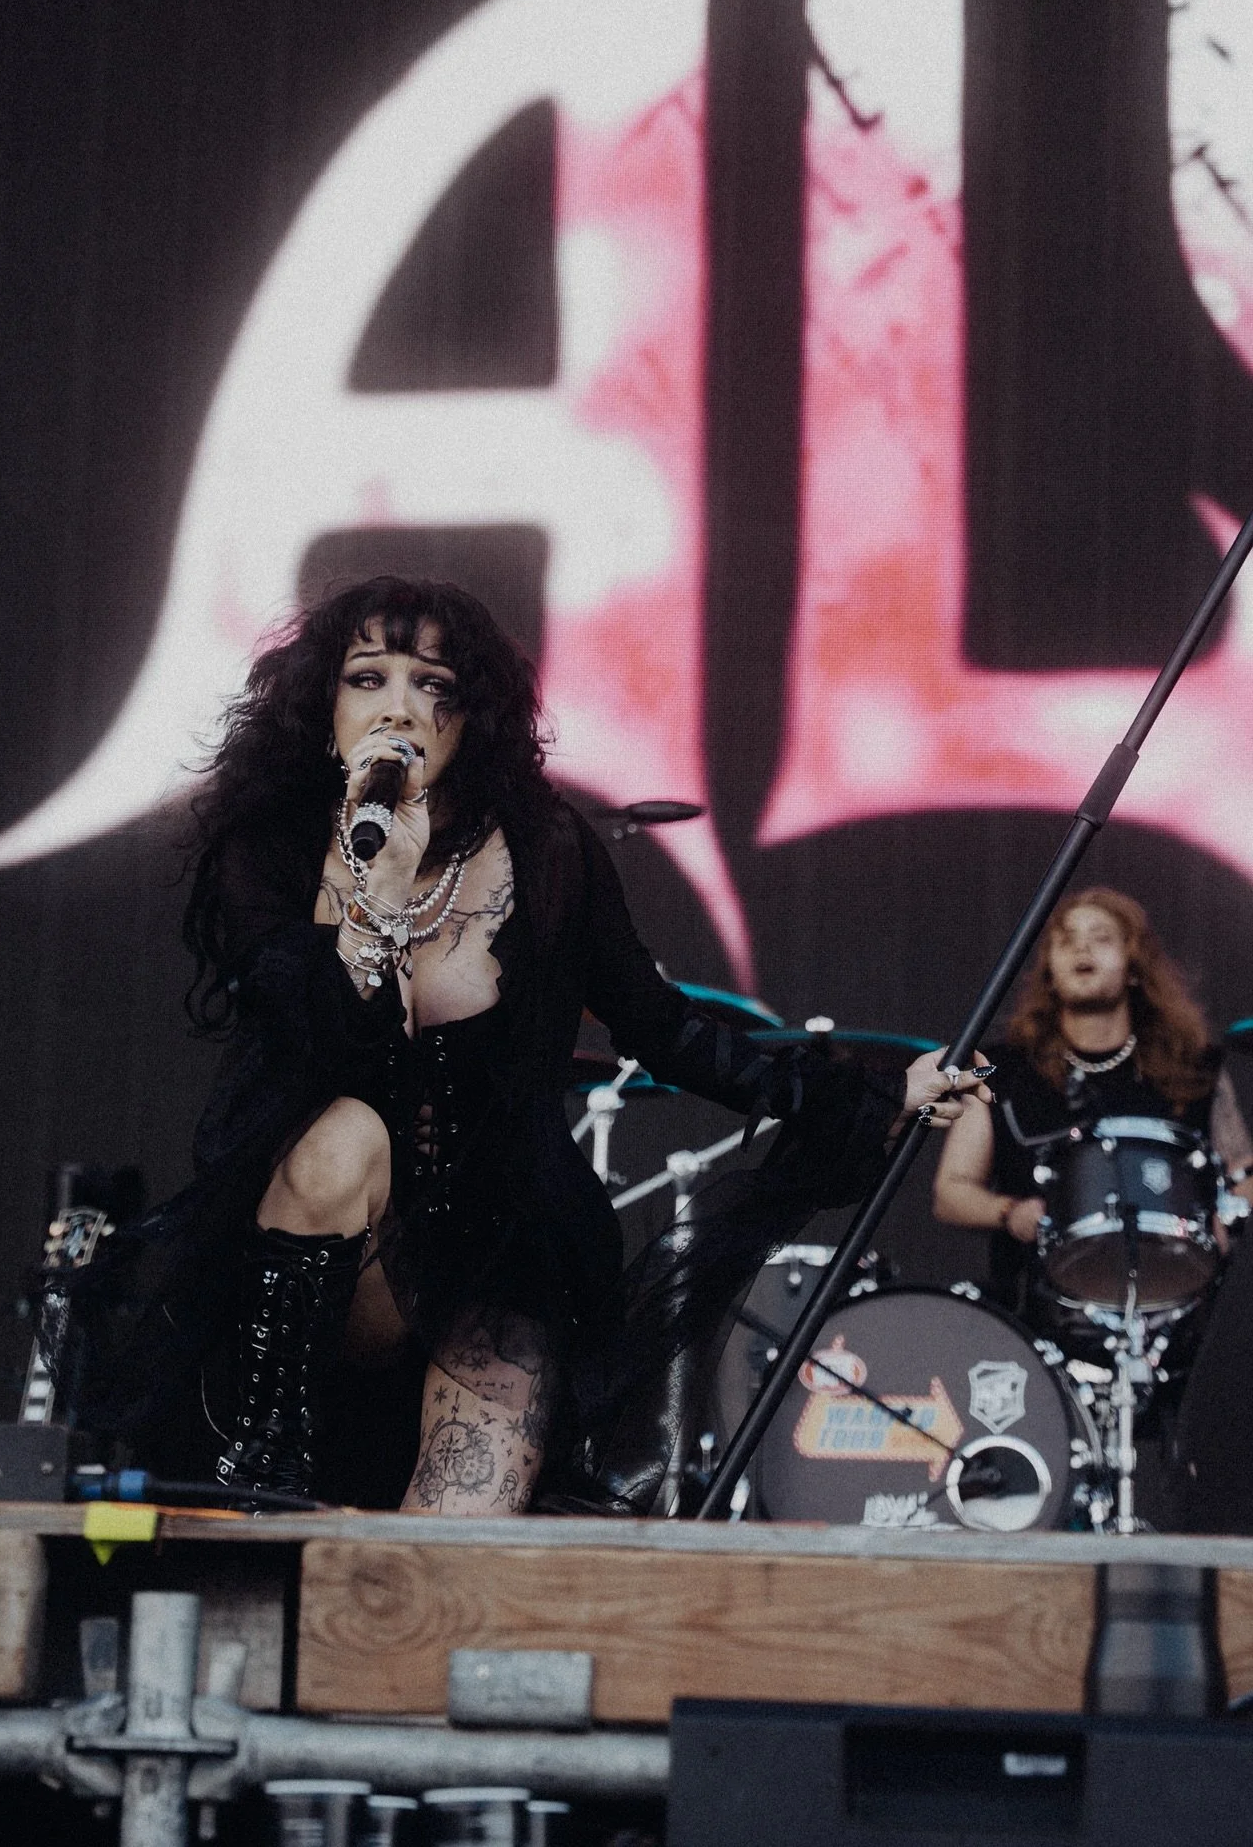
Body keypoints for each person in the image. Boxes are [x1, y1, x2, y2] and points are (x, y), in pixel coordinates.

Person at [70, 577, 987, 1515]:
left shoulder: (549, 852)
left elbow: (666, 1029)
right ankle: (269, 1458)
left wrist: (868, 1094)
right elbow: (317, 1034)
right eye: (368, 679)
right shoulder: (267, 849)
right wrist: (375, 888)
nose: (402, 708)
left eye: (436, 687)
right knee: (344, 1131)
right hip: (334, 1255)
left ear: (475, 719)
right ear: (322, 703)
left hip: (500, 1254)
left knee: (451, 1559)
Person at [933, 887, 1253, 1320]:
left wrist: (1228, 1215)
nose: (1081, 947)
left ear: (1134, 967)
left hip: (1179, 1312)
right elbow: (951, 1190)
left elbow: (1245, 1174)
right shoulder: (999, 1069)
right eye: (1066, 939)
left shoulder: (1193, 1066)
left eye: (1101, 937)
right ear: (1050, 970)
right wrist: (1009, 1212)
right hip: (1037, 1315)